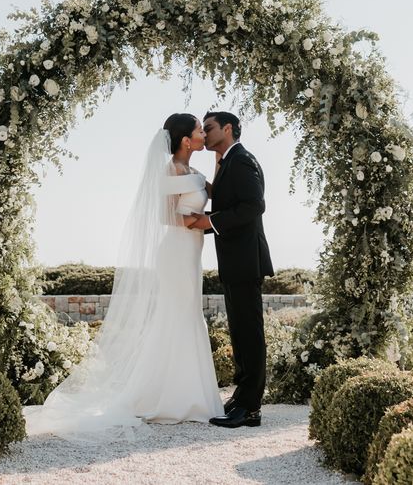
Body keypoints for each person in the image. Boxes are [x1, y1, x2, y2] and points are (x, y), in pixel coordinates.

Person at [23, 114, 223, 438]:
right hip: (175, 252)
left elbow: (219, 194)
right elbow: (168, 215)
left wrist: (218, 164)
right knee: (178, 314)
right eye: (200, 130)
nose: (204, 133)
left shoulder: (195, 172)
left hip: (191, 253)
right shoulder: (169, 169)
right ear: (186, 140)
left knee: (186, 314)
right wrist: (208, 222)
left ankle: (189, 396)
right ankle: (169, 399)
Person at [189, 111, 274, 428]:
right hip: (233, 261)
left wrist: (207, 221)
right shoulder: (227, 162)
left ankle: (251, 409)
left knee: (250, 334)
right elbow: (230, 206)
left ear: (228, 129)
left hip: (246, 261)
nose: (205, 134)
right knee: (239, 331)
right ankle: (241, 396)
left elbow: (253, 206)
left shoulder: (242, 160)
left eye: (209, 128)